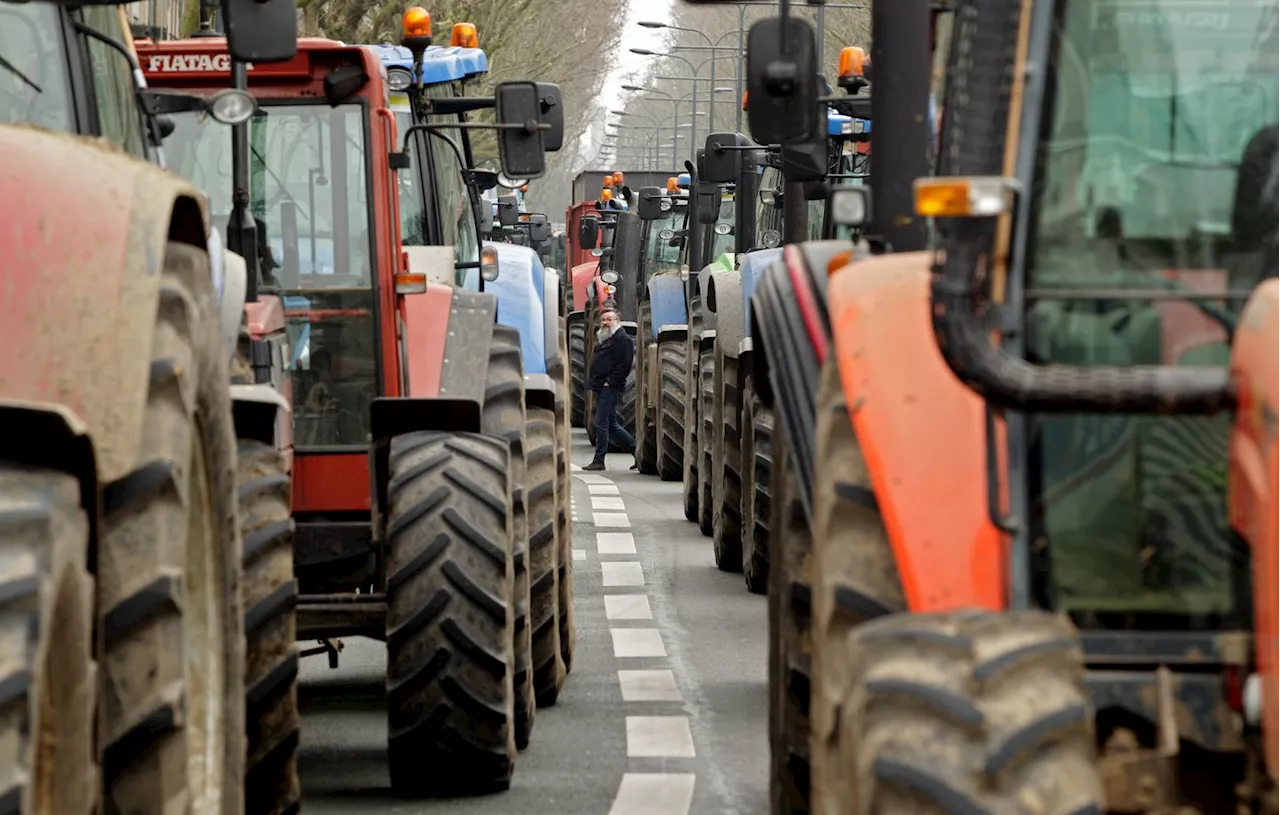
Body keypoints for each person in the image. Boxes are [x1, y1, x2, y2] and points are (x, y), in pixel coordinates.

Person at [584, 308, 635, 470]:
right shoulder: (605, 338)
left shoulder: (623, 339)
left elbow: (625, 364)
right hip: (601, 385)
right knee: (611, 424)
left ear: (617, 321)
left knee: (600, 423)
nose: (606, 323)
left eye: (609, 319)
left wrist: (610, 381)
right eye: (603, 320)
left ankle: (599, 460)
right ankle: (636, 451)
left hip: (610, 387)